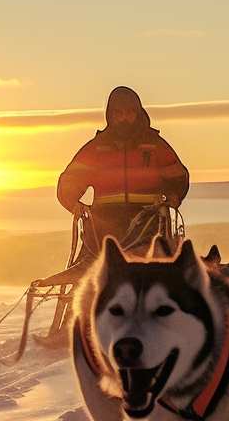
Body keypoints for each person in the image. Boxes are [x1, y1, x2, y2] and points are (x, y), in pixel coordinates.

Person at [35, 87, 189, 334]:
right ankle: (73, 327)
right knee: (90, 269)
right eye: (119, 113)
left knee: (155, 269)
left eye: (129, 112)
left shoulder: (155, 146)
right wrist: (73, 202)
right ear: (110, 114)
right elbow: (70, 179)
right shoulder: (97, 148)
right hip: (104, 222)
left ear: (138, 113)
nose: (124, 117)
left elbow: (178, 177)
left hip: (148, 221)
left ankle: (159, 321)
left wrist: (172, 196)